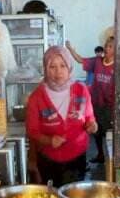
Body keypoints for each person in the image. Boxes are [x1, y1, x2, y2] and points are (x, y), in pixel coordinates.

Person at [26, 46, 98, 187]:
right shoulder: (36, 97)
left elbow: (89, 117)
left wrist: (92, 125)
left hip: (77, 158)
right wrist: (48, 140)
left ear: (69, 67)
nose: (58, 72)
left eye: (62, 66)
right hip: (48, 160)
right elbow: (32, 131)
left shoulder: (81, 90)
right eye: (52, 66)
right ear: (46, 69)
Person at [66, 36, 117, 164]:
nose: (106, 48)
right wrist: (70, 48)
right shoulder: (97, 61)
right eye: (106, 45)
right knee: (97, 133)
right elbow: (79, 60)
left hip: (110, 106)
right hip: (96, 104)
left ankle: (112, 160)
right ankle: (100, 155)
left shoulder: (118, 67)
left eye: (110, 46)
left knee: (109, 134)